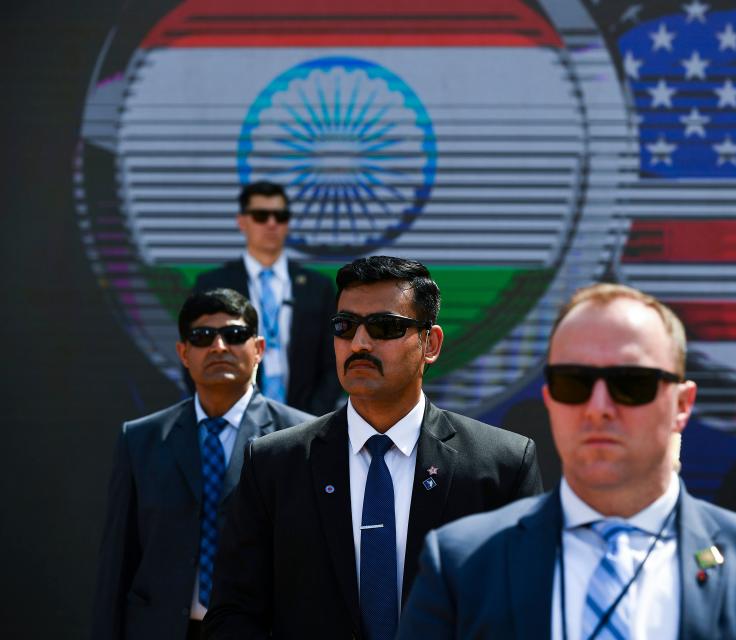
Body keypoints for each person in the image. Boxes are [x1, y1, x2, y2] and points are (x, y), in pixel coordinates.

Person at [398, 283, 736, 639]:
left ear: (683, 405)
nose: (599, 407)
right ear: (551, 401)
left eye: (632, 383)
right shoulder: (460, 563)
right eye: (574, 382)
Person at [204, 256, 543, 639]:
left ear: (430, 343)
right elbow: (233, 614)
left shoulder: (502, 465)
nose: (359, 343)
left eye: (384, 327)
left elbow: (529, 613)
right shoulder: (274, 464)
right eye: (344, 326)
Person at [91, 289, 315, 640]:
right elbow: (118, 563)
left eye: (235, 335)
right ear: (183, 353)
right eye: (202, 337)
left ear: (258, 349)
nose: (219, 347)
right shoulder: (141, 439)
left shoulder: (301, 437)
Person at [192, 180, 340, 415]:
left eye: (280, 216)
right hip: (232, 418)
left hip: (305, 421)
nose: (272, 223)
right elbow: (195, 358)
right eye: (261, 216)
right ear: (242, 222)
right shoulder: (212, 284)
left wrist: (312, 419)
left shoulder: (317, 287)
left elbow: (335, 361)